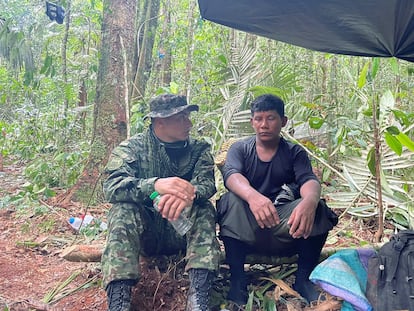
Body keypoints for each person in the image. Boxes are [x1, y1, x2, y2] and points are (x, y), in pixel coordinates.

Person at [101, 94, 221, 311]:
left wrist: (188, 193)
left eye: (188, 117)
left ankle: (199, 298)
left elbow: (207, 184)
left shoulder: (198, 149)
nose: (189, 123)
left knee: (204, 208)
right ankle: (119, 299)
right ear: (160, 121)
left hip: (183, 232)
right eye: (181, 118)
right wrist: (154, 185)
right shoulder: (133, 148)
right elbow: (111, 187)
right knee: (122, 210)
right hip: (146, 234)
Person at [217, 94, 338, 306]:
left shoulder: (294, 152)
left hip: (285, 227)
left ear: (283, 121)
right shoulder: (240, 149)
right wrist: (253, 197)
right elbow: (231, 175)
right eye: (259, 118)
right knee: (230, 201)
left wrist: (308, 202)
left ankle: (303, 280)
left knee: (317, 207)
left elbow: (308, 180)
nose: (264, 125)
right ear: (252, 122)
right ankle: (238, 281)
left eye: (271, 118)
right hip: (248, 227)